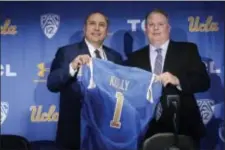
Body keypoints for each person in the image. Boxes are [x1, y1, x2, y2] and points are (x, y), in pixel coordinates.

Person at [125, 9, 210, 148]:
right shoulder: (134, 58)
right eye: (151, 25)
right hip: (146, 128)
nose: (156, 28)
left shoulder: (187, 50)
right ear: (146, 29)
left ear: (168, 28)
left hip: (184, 127)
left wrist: (178, 80)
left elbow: (204, 82)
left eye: (160, 24)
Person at [47, 11, 123, 150]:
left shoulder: (115, 57)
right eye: (92, 23)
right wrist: (72, 66)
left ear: (107, 31)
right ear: (84, 28)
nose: (97, 28)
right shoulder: (67, 52)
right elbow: (52, 84)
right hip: (75, 132)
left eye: (102, 25)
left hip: (107, 132)